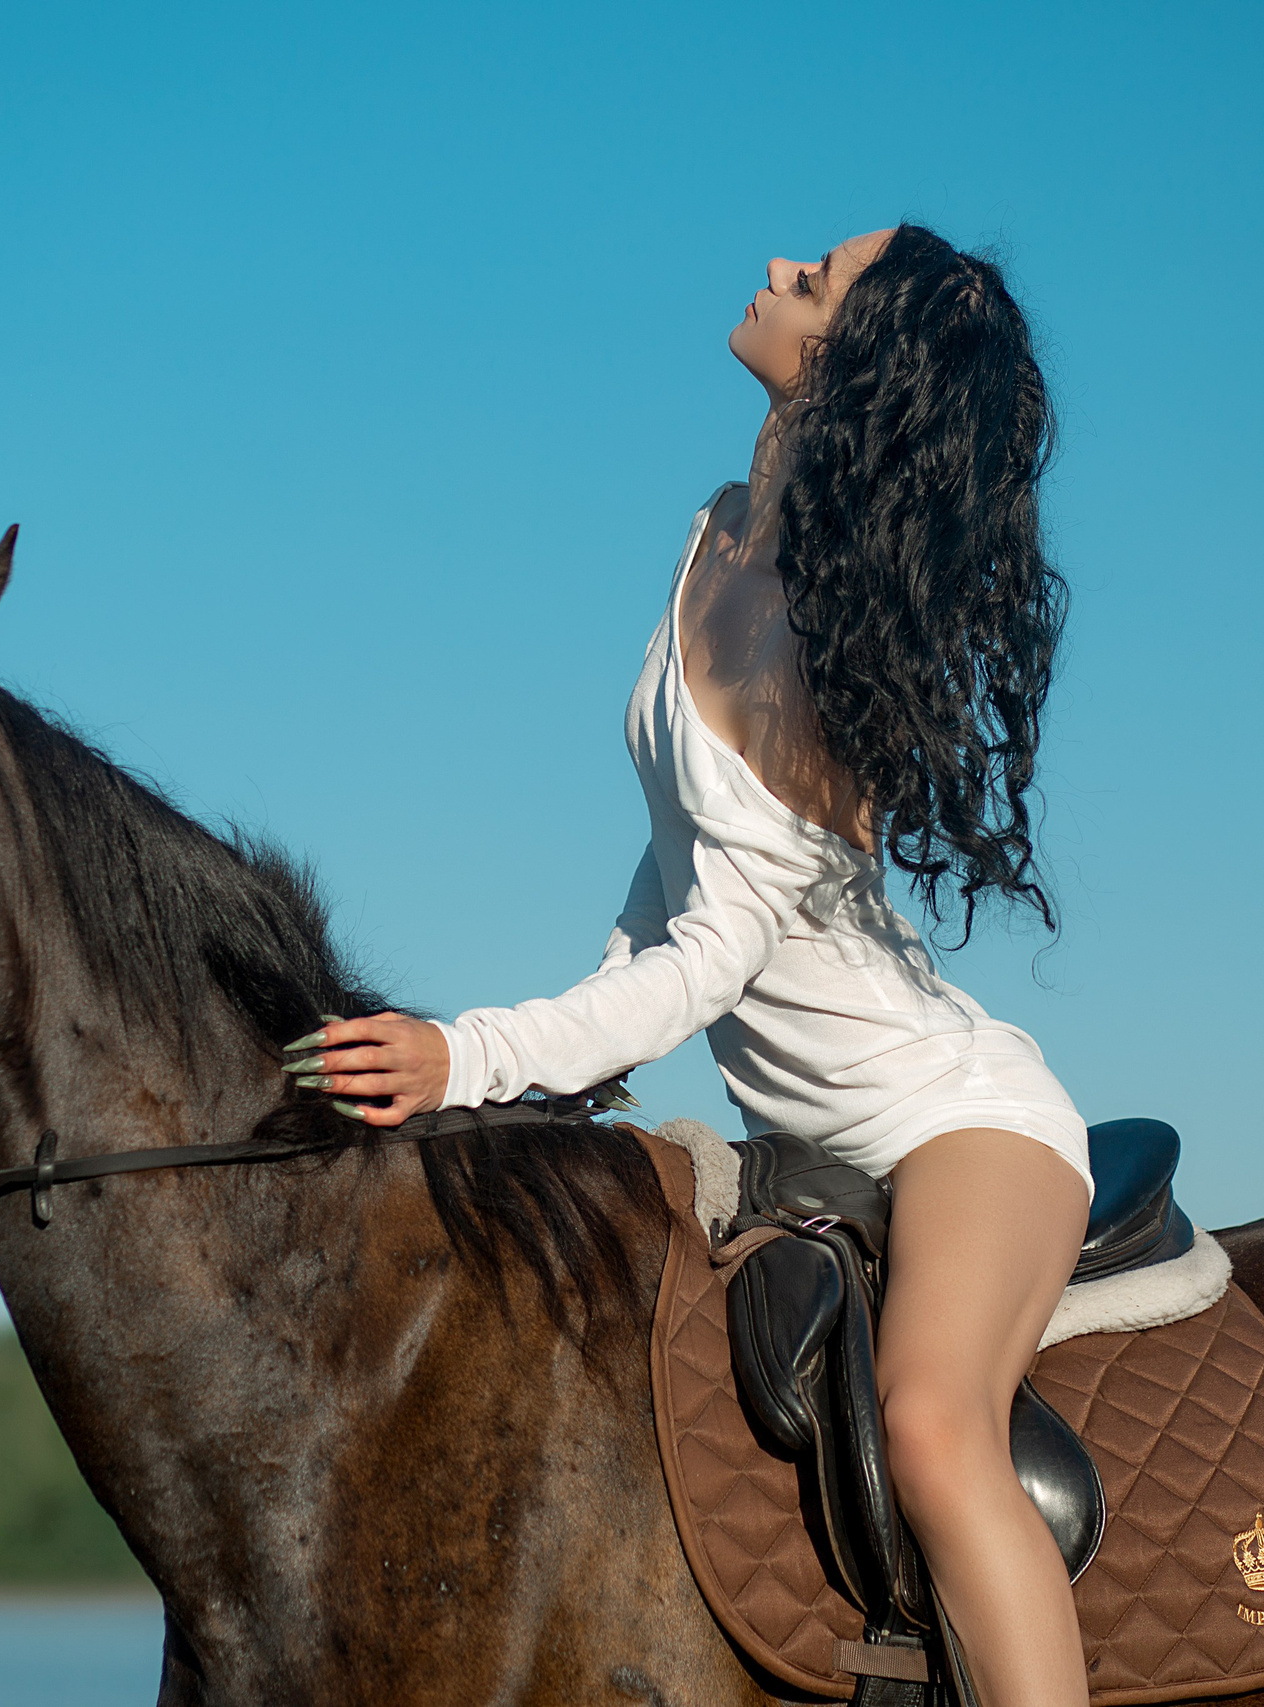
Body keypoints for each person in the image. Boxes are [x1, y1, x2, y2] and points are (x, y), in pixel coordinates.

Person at [284, 224, 1092, 1705]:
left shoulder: (796, 658)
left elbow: (706, 961)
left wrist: (472, 1052)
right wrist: (565, 1053)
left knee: (930, 1428)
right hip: (804, 1132)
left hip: (959, 1123)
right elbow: (674, 875)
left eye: (822, 279)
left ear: (857, 366)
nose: (782, 266)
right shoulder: (721, 532)